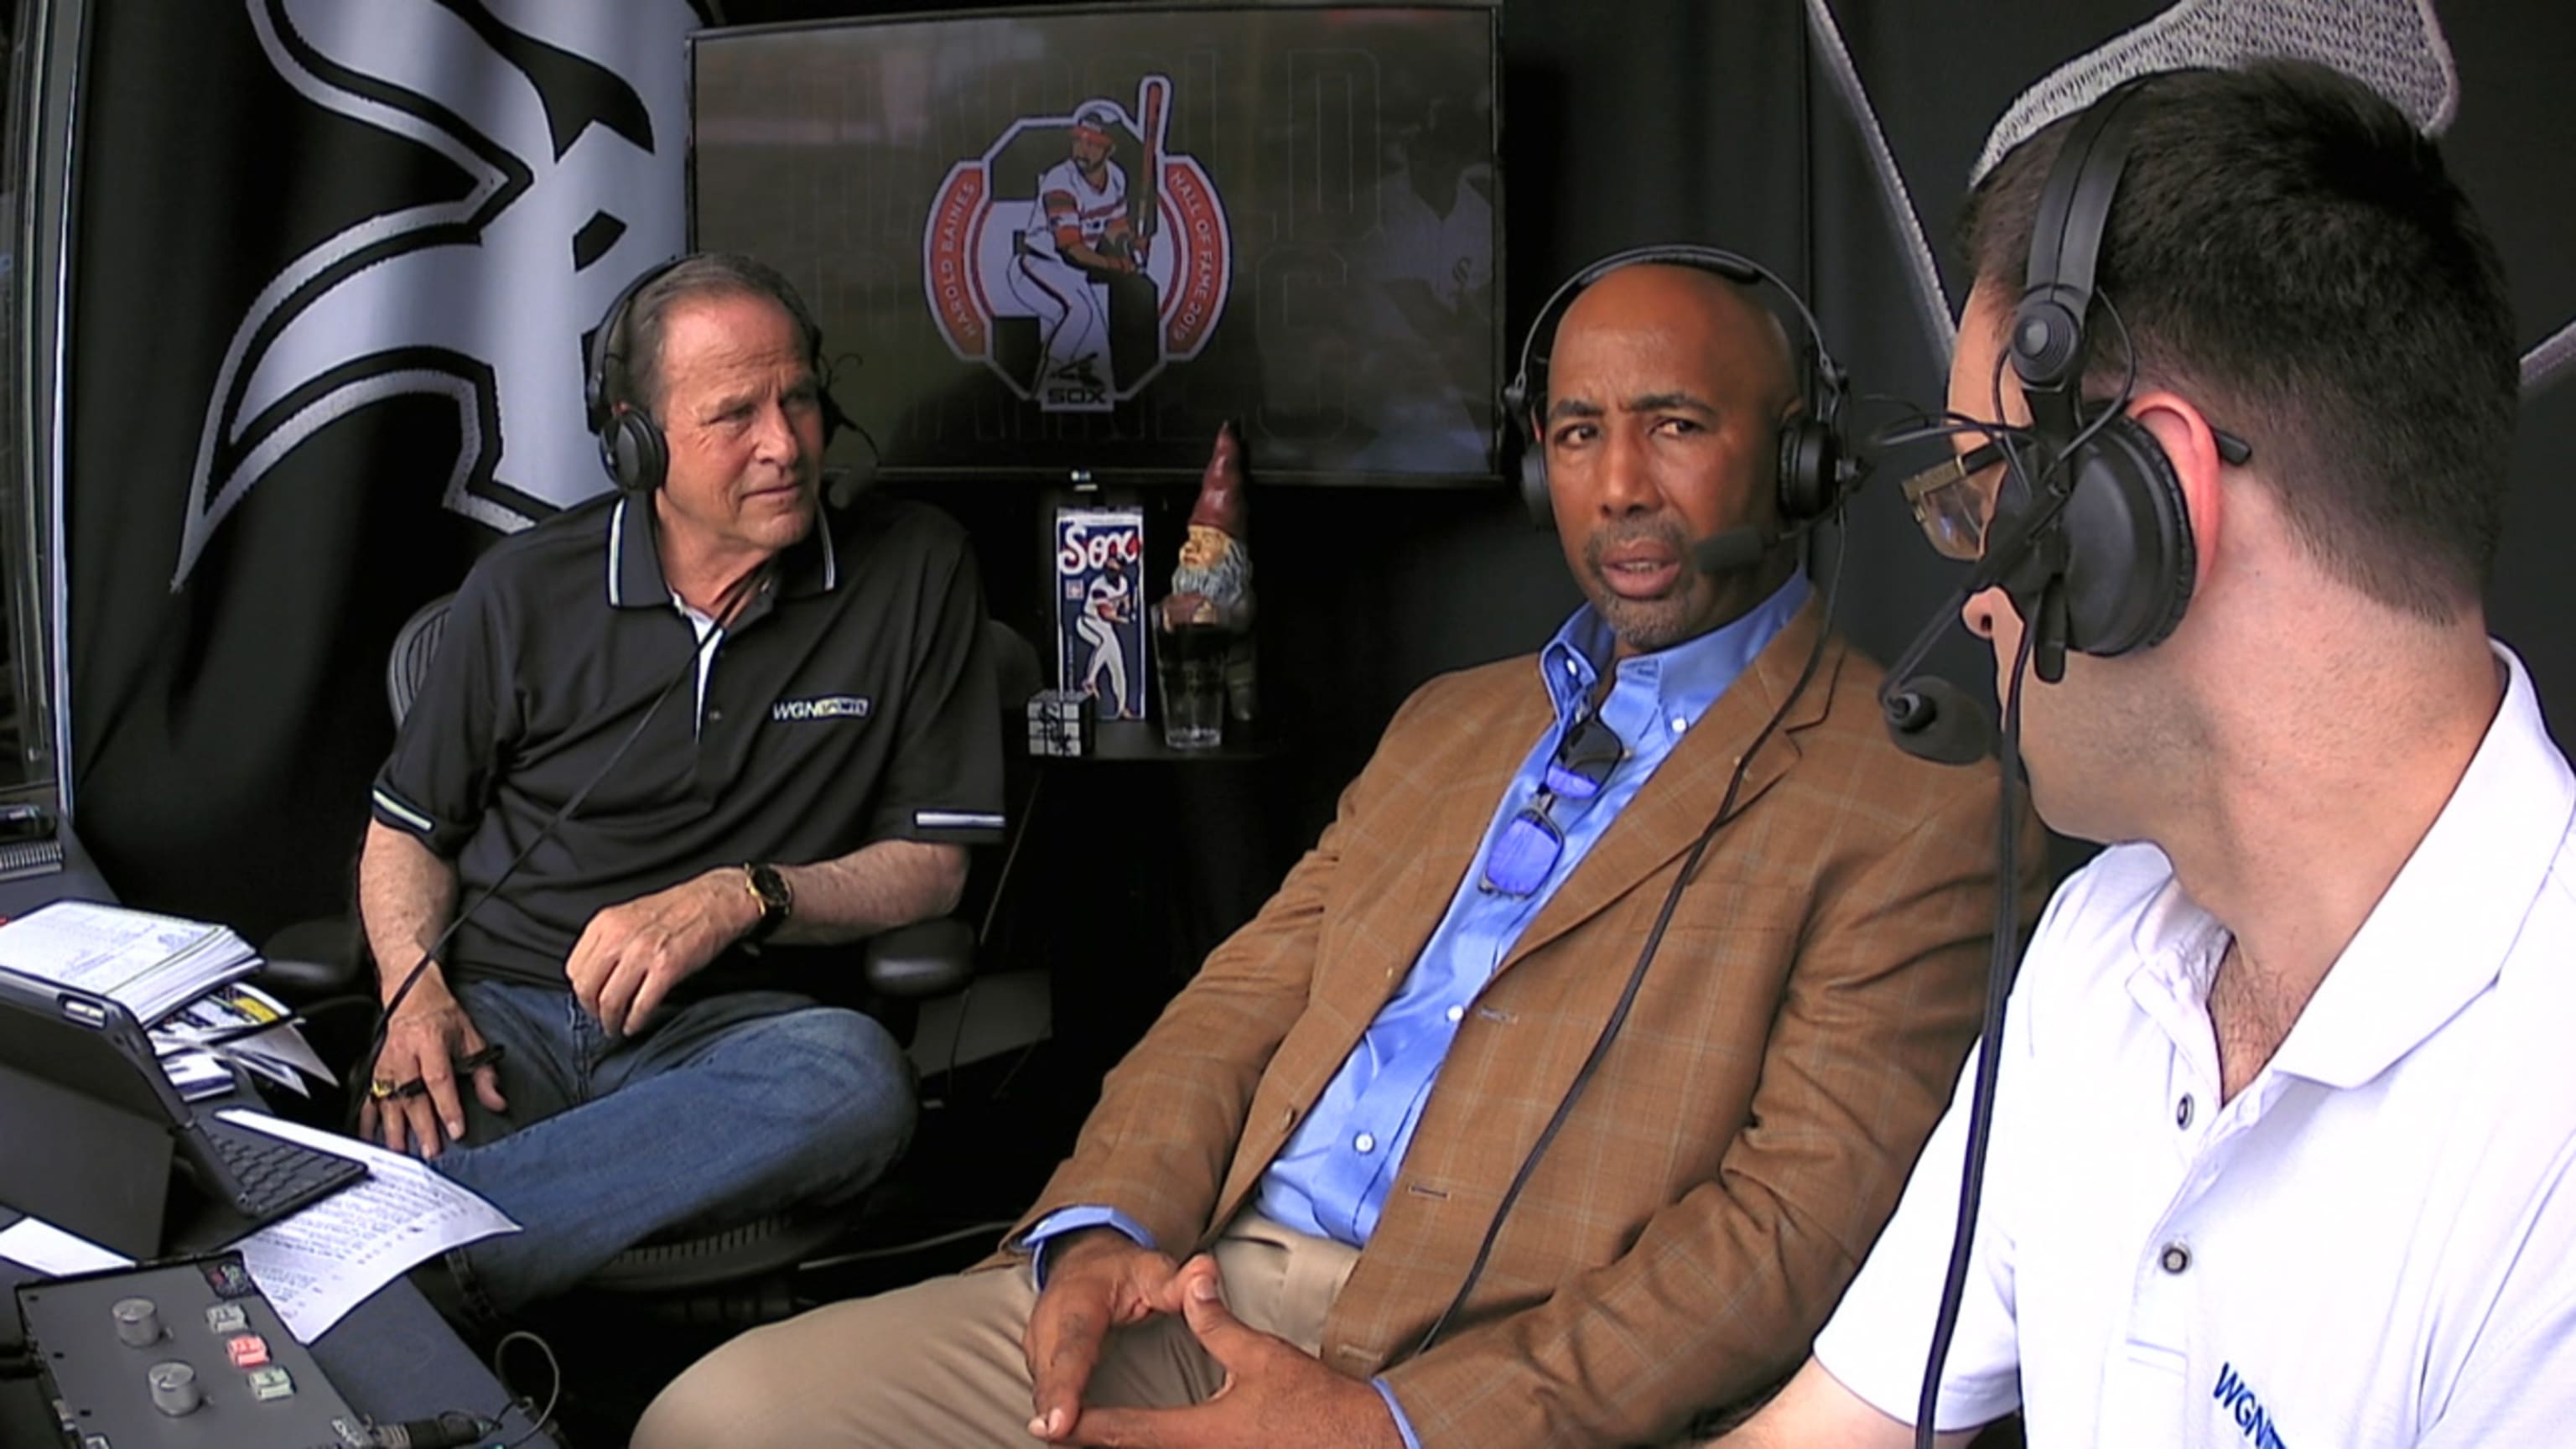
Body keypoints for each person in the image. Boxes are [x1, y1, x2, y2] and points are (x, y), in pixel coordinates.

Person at [639, 260, 2033, 1448]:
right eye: (1575, 433)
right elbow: (1243, 997)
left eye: (1674, 426)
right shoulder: (1450, 722)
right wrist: (1102, 1225)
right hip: (1191, 1272)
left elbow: (1784, 1231)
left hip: (1468, 1363)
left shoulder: (1921, 790)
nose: (1616, 486)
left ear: (1799, 456)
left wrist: (1404, 1421)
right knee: (713, 1418)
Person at [1716, 60, 2576, 1448]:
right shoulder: (2104, 944)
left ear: (2135, 507)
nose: (1974, 590)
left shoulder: (2547, 1122)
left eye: (1981, 494)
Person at [357, 252, 1004, 1322]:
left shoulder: (915, 570)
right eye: (734, 413)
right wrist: (410, 993)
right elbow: (404, 835)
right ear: (635, 440)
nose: (785, 444)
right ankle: (454, 1246)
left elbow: (932, 870)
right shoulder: (524, 590)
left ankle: (419, 1258)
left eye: (799, 398)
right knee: (423, 1100)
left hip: (737, 1040)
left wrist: (742, 896)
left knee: (859, 1083)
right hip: (506, 1024)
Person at [1010, 102, 1141, 406]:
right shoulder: (1060, 182)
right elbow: (1073, 250)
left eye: (1094, 143)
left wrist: (1131, 243)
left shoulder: (1117, 178)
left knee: (1096, 336)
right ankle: (1038, 395)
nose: (1083, 149)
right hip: (1035, 268)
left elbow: (1114, 225)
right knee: (1081, 315)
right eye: (1078, 140)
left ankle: (1087, 404)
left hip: (1070, 274)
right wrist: (1116, 264)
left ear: (1111, 149)